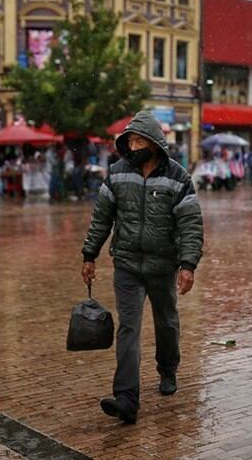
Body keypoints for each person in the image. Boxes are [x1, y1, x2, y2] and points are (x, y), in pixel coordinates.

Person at [81, 111, 204, 425]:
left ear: (154, 143)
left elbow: (190, 224)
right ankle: (126, 398)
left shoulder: (178, 177)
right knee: (129, 328)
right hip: (127, 264)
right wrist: (89, 254)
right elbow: (101, 218)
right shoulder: (118, 174)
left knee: (166, 322)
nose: (132, 146)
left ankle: (168, 369)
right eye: (130, 140)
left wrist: (188, 264)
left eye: (138, 140)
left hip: (163, 266)